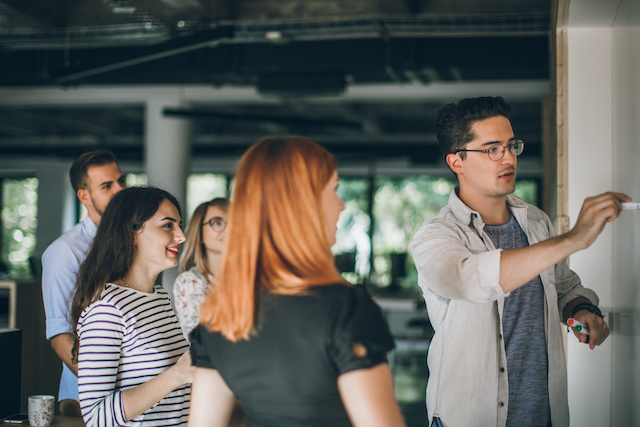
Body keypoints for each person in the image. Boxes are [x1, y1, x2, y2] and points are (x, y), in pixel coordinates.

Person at [410, 96, 629, 427]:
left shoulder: (536, 222)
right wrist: (573, 238)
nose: (508, 157)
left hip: (544, 415)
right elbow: (472, 280)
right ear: (457, 162)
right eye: (492, 149)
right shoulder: (435, 237)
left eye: (511, 146)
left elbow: (563, 287)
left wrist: (581, 313)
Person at [188, 136, 406, 427]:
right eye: (334, 190)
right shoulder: (345, 308)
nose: (341, 205)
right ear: (303, 203)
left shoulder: (219, 313)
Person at [70, 187, 193, 427]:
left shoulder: (159, 297)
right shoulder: (107, 309)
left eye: (179, 225)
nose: (181, 236)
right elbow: (96, 417)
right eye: (168, 225)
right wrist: (177, 375)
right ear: (132, 234)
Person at [41, 149, 126, 416]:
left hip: (136, 392)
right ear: (84, 196)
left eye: (121, 181)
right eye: (107, 186)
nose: (120, 190)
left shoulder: (134, 241)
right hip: (88, 400)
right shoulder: (64, 252)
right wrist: (107, 387)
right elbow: (60, 335)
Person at [174, 198, 230, 340]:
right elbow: (202, 339)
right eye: (217, 223)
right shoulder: (189, 282)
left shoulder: (249, 277)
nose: (229, 229)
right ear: (199, 232)